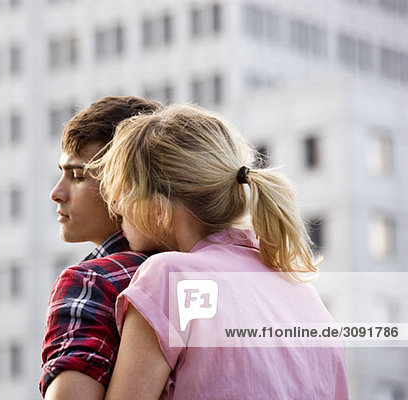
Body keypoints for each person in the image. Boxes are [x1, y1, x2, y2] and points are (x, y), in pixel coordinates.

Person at [90, 104, 349, 399]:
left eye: (121, 195)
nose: (116, 209)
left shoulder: (169, 277)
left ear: (157, 208)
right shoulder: (305, 295)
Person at [40, 96, 162, 399]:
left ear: (126, 184)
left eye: (77, 175)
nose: (57, 193)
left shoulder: (92, 283)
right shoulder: (213, 268)